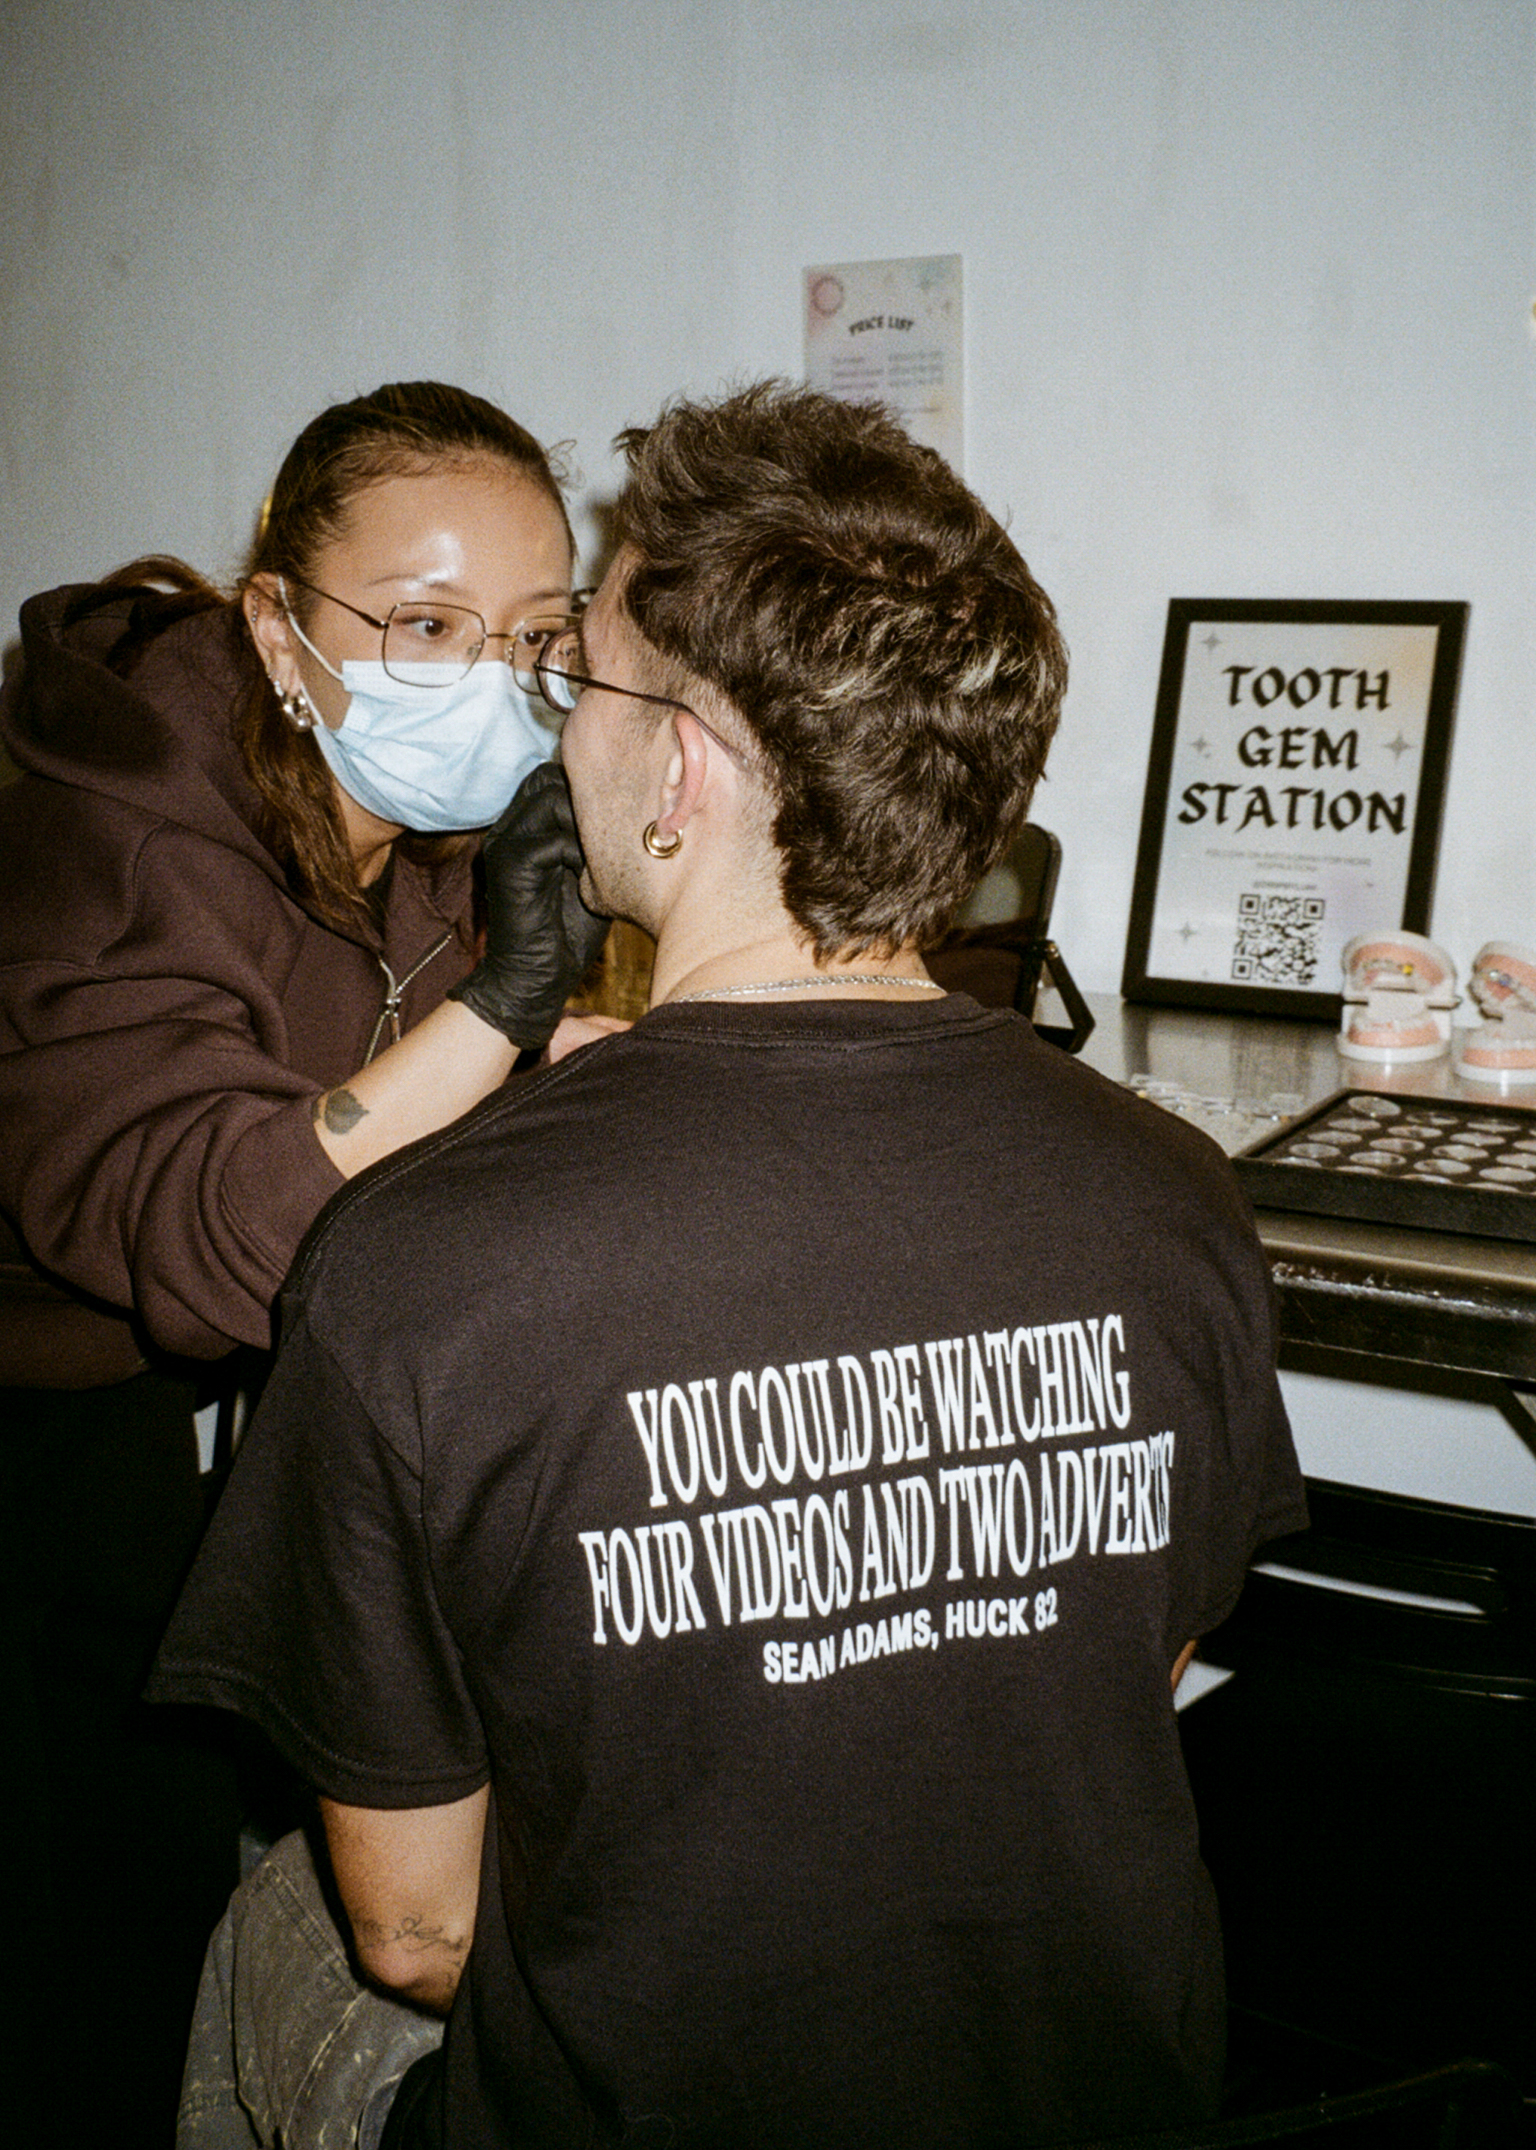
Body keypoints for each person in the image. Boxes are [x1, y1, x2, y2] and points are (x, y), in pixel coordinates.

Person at [150, 380, 1308, 2150]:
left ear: (679, 769)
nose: (552, 720)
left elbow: (419, 1927)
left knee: (269, 1935)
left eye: (579, 673)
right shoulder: (1175, 1193)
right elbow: (1130, 1656)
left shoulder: (421, 1266)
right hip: (1091, 2078)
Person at [0, 380, 610, 2148]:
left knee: (154, 1872)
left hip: (150, 1397)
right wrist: (498, 1026)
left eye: (534, 636)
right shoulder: (96, 830)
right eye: (425, 626)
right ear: (278, 622)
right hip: (38, 1373)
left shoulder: (427, 813)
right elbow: (199, 1228)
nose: (486, 680)